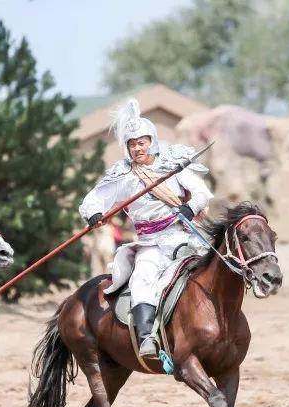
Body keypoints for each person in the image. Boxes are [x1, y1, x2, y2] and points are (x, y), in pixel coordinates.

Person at [79, 99, 213, 357]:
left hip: (181, 235)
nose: (137, 148)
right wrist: (94, 213)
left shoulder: (173, 164)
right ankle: (146, 338)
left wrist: (189, 208)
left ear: (151, 141)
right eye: (132, 144)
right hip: (149, 243)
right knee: (142, 279)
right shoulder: (123, 175)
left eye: (141, 142)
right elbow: (93, 199)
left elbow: (201, 193)